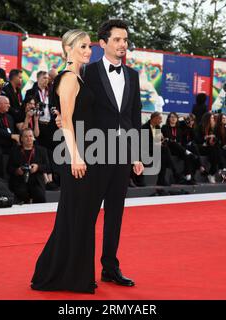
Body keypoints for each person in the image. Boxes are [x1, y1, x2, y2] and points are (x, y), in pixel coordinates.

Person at [31, 29, 102, 293]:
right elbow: (68, 122)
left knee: (76, 217)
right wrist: (75, 157)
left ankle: (62, 273)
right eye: (82, 46)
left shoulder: (76, 78)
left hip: (85, 153)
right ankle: (65, 275)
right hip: (78, 155)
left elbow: (69, 118)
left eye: (89, 46)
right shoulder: (70, 78)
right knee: (77, 216)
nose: (88, 51)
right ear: (68, 48)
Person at [83, 19, 143, 286]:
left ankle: (110, 267)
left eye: (126, 40)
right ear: (103, 43)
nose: (123, 44)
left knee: (115, 214)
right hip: (95, 152)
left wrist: (138, 154)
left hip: (123, 154)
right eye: (117, 39)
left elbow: (134, 115)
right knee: (88, 213)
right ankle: (83, 269)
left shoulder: (132, 75)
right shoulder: (88, 72)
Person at [7, 128, 48, 204]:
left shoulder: (42, 150)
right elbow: (9, 169)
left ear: (34, 138)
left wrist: (37, 167)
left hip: (36, 180)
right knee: (21, 194)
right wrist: (17, 171)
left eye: (30, 136)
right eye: (26, 136)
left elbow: (47, 167)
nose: (29, 138)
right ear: (21, 139)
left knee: (40, 196)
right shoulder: (14, 151)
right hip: (20, 180)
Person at [161, 112, 197, 184]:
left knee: (187, 156)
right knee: (173, 142)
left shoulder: (179, 129)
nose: (173, 118)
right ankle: (186, 151)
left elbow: (189, 136)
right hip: (169, 148)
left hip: (178, 149)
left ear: (177, 119)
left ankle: (188, 176)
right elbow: (168, 139)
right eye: (171, 117)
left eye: (175, 117)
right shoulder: (164, 127)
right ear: (168, 119)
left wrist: (189, 125)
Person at [195, 112, 220, 183]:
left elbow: (217, 139)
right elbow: (197, 139)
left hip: (209, 147)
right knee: (215, 151)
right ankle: (212, 173)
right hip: (201, 147)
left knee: (216, 150)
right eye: (211, 118)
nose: (213, 119)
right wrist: (206, 138)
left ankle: (212, 173)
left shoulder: (213, 128)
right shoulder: (200, 127)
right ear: (207, 119)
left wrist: (213, 138)